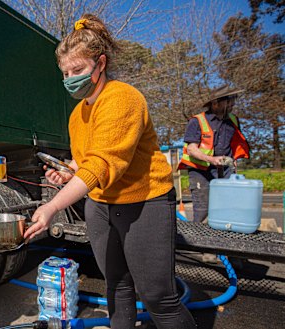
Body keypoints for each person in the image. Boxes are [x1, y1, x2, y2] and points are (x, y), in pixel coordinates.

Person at [23, 15, 196, 328]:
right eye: (65, 73)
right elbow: (87, 160)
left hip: (145, 201)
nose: (70, 78)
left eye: (77, 70)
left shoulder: (123, 99)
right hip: (100, 206)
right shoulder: (78, 114)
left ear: (100, 63)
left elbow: (103, 163)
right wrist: (68, 171)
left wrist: (52, 206)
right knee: (116, 285)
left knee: (158, 296)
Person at [178, 85, 250, 223]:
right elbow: (192, 149)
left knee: (228, 207)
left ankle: (224, 237)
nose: (232, 104)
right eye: (229, 100)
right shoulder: (197, 121)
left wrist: (234, 161)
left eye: (233, 99)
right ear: (216, 103)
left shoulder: (234, 120)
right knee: (203, 210)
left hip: (225, 170)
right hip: (201, 171)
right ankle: (198, 241)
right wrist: (211, 159)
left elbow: (235, 144)